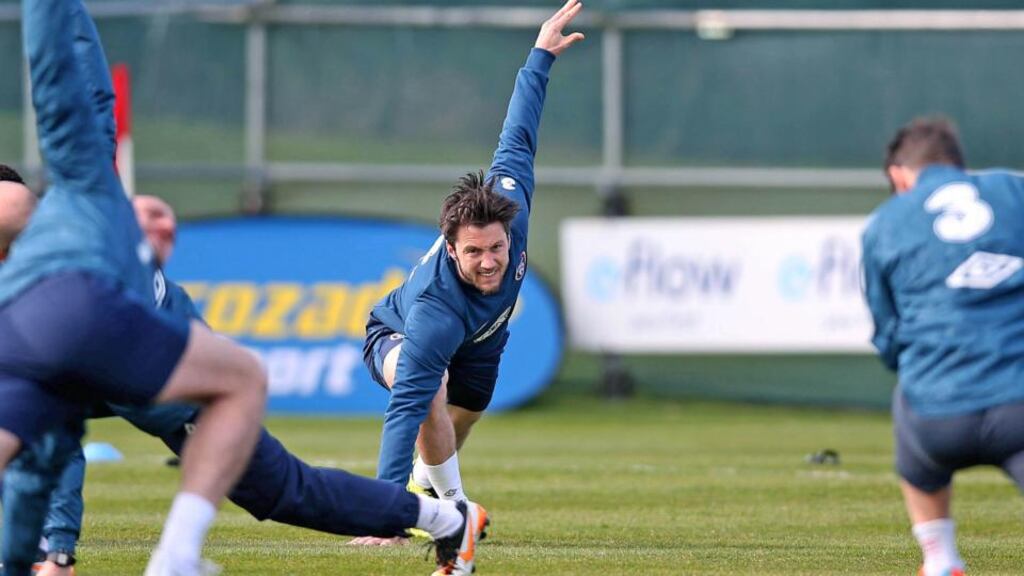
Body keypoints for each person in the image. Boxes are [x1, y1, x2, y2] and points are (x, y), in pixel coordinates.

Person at [0, 182, 489, 576]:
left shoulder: (69, 280)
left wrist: (57, 553)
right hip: (101, 368)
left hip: (167, 374)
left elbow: (50, 432)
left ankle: (445, 520)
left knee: (283, 491)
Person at [354, 0, 584, 546]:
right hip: (395, 333)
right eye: (474, 252)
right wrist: (385, 520)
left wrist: (540, 57)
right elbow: (405, 406)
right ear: (452, 250)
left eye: (496, 248)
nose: (489, 261)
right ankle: (452, 513)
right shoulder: (435, 307)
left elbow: (518, 136)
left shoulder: (512, 206)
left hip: (483, 338)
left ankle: (430, 487)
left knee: (464, 418)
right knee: (429, 389)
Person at [862, 117, 1024, 576]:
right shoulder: (1015, 191)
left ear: (899, 176)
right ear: (959, 164)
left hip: (936, 417)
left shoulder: (885, 223)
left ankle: (940, 556)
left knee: (911, 409)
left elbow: (888, 332)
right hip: (1021, 405)